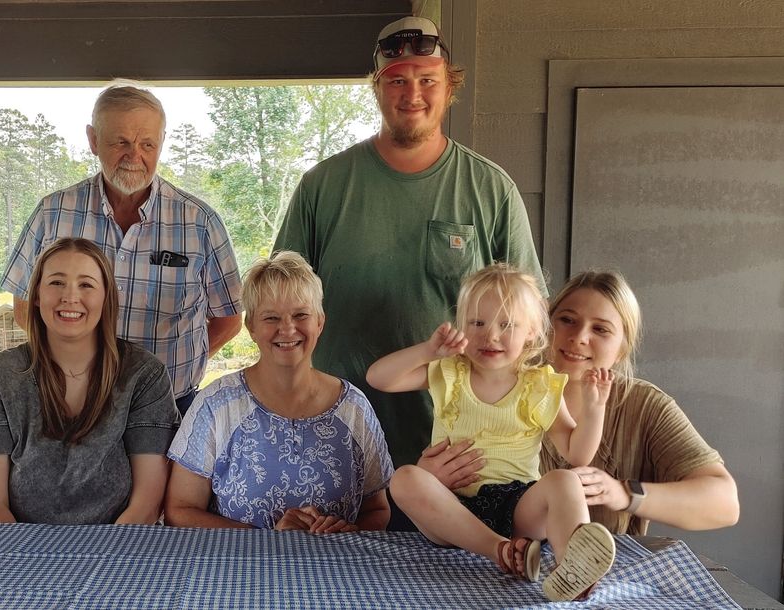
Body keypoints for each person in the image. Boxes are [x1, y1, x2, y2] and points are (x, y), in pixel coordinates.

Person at [272, 16, 545, 483]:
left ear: (449, 87)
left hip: (452, 450)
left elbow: (531, 323)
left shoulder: (490, 188)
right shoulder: (324, 185)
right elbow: (279, 307)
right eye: (396, 80)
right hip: (333, 433)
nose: (411, 93)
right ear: (377, 88)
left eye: (427, 80)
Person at [367, 264, 615, 602]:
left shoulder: (538, 385)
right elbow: (378, 379)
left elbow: (577, 454)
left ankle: (572, 567)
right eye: (477, 323)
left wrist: (594, 408)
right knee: (404, 479)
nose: (491, 335)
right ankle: (499, 550)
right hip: (452, 509)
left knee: (566, 481)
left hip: (519, 509)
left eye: (507, 325)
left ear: (531, 331)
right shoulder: (449, 371)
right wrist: (427, 351)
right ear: (462, 326)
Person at [1, 81, 243, 415]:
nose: (134, 156)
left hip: (171, 407)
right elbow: (24, 307)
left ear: (161, 144)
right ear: (93, 140)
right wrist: (72, 371)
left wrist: (161, 378)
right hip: (73, 406)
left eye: (147, 143)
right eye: (121, 142)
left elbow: (229, 320)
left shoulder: (200, 221)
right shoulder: (52, 213)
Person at [165, 251, 394, 532]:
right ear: (251, 327)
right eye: (271, 318)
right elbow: (180, 509)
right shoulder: (217, 404)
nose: (287, 329)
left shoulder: (354, 408)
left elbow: (378, 509)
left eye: (301, 315)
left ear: (320, 322)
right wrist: (269, 538)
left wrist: (348, 531)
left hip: (335, 571)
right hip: (239, 570)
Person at [0, 238, 180, 524]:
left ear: (106, 297)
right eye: (56, 282)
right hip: (19, 555)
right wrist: (30, 566)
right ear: (37, 295)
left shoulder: (144, 374)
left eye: (86, 284)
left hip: (120, 552)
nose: (70, 296)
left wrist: (105, 563)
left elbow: (147, 503)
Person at [540, 271, 739, 534]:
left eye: (600, 329)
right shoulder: (504, 389)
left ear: (622, 347)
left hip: (613, 571)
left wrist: (624, 494)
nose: (579, 337)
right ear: (544, 325)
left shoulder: (646, 406)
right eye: (567, 320)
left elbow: (724, 504)